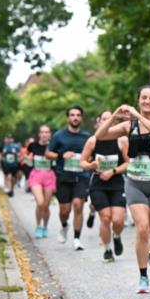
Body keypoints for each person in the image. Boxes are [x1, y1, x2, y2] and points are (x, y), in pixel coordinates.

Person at [97, 88, 150, 293]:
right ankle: (143, 276)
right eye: (143, 98)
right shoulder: (128, 125)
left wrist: (137, 115)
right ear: (138, 100)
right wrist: (114, 115)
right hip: (135, 182)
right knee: (142, 228)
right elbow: (100, 135)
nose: (147, 101)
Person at [80, 110, 129, 262]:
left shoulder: (122, 140)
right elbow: (82, 162)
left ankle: (117, 236)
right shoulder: (92, 141)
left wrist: (113, 171)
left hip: (117, 183)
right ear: (99, 122)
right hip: (98, 184)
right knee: (106, 218)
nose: (107, 122)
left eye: (110, 119)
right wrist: (91, 165)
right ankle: (108, 250)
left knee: (118, 220)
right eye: (104, 119)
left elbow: (128, 163)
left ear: (114, 123)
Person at [46, 106, 92, 250]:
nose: (75, 117)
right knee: (64, 210)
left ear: (81, 118)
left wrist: (88, 158)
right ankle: (64, 226)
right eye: (72, 115)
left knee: (78, 205)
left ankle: (77, 238)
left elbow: (92, 154)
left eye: (78, 115)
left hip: (81, 176)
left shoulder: (87, 137)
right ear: (68, 118)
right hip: (64, 176)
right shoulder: (59, 136)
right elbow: (48, 154)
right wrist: (61, 155)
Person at [26, 126, 56, 238]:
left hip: (49, 175)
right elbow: (26, 155)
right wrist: (27, 160)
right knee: (40, 202)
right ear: (39, 134)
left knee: (46, 205)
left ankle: (45, 227)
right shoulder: (33, 146)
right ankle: (38, 225)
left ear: (50, 135)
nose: (44, 134)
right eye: (42, 132)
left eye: (46, 132)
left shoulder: (53, 146)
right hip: (36, 175)